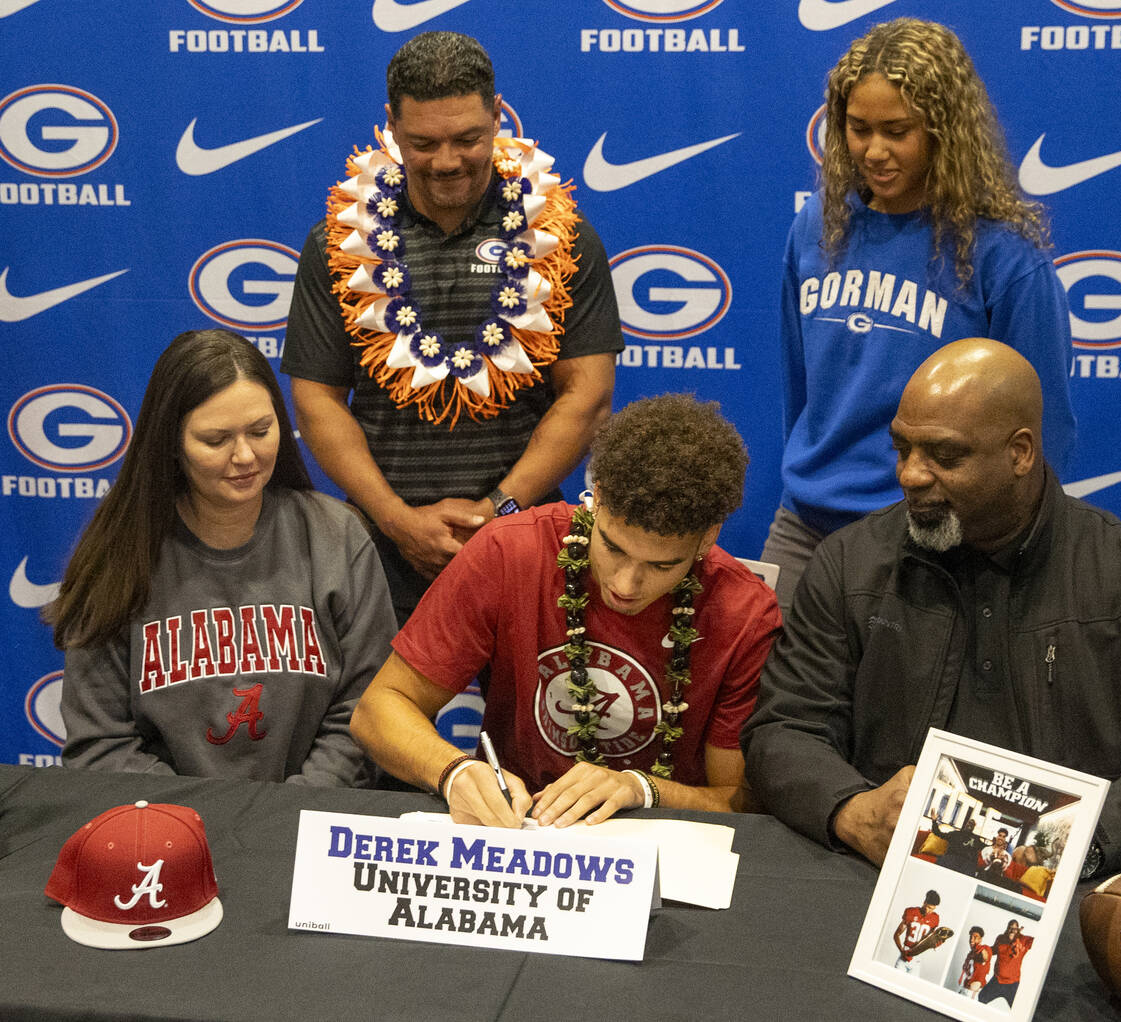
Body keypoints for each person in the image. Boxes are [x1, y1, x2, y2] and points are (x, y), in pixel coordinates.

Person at [743, 338, 1121, 877]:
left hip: (1065, 889)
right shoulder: (848, 563)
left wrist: (1065, 846)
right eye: (902, 448)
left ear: (1020, 453)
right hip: (869, 876)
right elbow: (785, 727)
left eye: (945, 455)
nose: (910, 474)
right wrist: (851, 809)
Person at [282, 31, 623, 624]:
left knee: (534, 720)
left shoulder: (559, 236)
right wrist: (396, 519)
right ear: (390, 124)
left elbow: (587, 397)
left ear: (497, 114)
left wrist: (498, 511)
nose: (446, 161)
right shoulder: (340, 241)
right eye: (422, 142)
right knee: (369, 718)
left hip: (524, 538)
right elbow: (316, 400)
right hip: (377, 549)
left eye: (468, 138)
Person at [762, 17, 1075, 614]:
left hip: (934, 531)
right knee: (782, 702)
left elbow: (1045, 426)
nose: (873, 151)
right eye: (857, 129)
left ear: (944, 131)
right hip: (805, 526)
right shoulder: (814, 229)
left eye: (897, 131)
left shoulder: (1002, 256)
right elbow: (800, 390)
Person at [351, 394, 782, 828]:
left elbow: (739, 800)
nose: (625, 584)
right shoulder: (511, 551)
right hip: (516, 831)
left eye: (662, 565)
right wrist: (454, 772)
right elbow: (379, 710)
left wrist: (643, 789)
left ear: (708, 537)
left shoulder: (743, 611)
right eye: (613, 547)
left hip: (663, 847)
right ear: (596, 500)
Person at [48, 330, 397, 786]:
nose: (245, 455)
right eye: (216, 440)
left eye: (261, 430)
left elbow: (367, 712)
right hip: (166, 837)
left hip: (308, 826)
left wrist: (284, 816)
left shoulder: (337, 537)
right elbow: (102, 744)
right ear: (171, 442)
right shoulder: (116, 554)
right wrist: (199, 824)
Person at [978, 920, 1034, 1007]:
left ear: (1018, 930)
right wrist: (983, 950)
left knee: (1017, 1008)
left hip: (1012, 984)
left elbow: (1040, 941)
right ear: (1007, 929)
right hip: (997, 981)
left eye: (1015, 929)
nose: (1012, 930)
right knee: (981, 997)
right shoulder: (1001, 938)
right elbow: (993, 950)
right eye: (1010, 928)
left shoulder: (1024, 940)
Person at [893, 889, 940, 976]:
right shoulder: (911, 912)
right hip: (904, 957)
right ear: (924, 902)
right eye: (929, 907)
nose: (930, 911)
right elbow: (896, 934)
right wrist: (901, 950)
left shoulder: (935, 918)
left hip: (917, 961)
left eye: (933, 909)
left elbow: (931, 939)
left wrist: (936, 943)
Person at [958, 926, 993, 999]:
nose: (971, 939)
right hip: (965, 987)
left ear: (980, 939)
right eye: (970, 937)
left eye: (975, 937)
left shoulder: (985, 948)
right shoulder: (970, 954)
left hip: (975, 988)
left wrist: (980, 949)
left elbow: (985, 957)